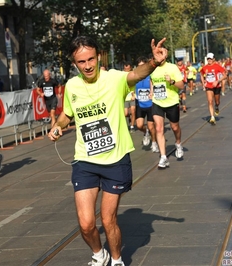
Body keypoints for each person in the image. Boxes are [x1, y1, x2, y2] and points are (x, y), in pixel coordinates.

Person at [48, 36, 168, 266]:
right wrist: (57, 126)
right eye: (81, 62)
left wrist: (153, 62)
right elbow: (67, 114)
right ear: (75, 64)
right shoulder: (72, 86)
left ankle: (116, 260)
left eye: (91, 58)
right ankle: (98, 254)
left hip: (115, 161)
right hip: (85, 160)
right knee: (85, 223)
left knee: (108, 219)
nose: (88, 65)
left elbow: (137, 74)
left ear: (99, 56)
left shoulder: (114, 79)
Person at [150, 52, 184, 169]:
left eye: (161, 53)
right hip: (157, 102)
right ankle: (163, 157)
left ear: (165, 56)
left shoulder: (172, 67)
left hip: (171, 102)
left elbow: (181, 85)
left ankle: (178, 143)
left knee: (175, 127)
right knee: (159, 128)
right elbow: (151, 80)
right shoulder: (153, 68)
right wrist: (151, 91)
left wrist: (172, 81)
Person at [134, 56, 159, 153]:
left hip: (150, 105)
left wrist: (152, 92)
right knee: (139, 125)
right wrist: (132, 94)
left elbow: (153, 85)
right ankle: (145, 133)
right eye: (139, 66)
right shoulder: (135, 77)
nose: (141, 68)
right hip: (140, 105)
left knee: (151, 126)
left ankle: (154, 143)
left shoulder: (150, 76)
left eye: (142, 66)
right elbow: (131, 86)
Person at [199, 52, 227, 125]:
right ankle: (212, 117)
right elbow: (201, 74)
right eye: (208, 59)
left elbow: (225, 75)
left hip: (217, 86)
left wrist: (218, 81)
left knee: (217, 101)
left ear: (213, 59)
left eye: (210, 59)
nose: (209, 60)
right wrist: (203, 83)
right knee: (210, 101)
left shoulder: (217, 66)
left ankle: (217, 106)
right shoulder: (205, 67)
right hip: (209, 86)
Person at [123, 61, 136, 132]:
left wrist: (134, 95)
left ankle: (132, 126)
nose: (126, 70)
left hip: (131, 96)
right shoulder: (122, 75)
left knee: (133, 111)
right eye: (125, 69)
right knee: (126, 113)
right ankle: (130, 118)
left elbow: (135, 85)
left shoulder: (132, 74)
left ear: (130, 68)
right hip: (125, 97)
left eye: (128, 68)